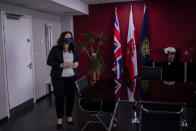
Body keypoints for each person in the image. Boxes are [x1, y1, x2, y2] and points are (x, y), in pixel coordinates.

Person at [47, 31, 79, 129]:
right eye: (67, 36)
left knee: (70, 98)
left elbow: (77, 59)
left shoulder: (74, 48)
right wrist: (60, 65)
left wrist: (77, 63)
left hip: (71, 78)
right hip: (58, 78)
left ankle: (69, 116)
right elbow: (49, 61)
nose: (69, 38)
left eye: (70, 37)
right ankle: (59, 118)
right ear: (62, 38)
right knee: (60, 98)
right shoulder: (56, 49)